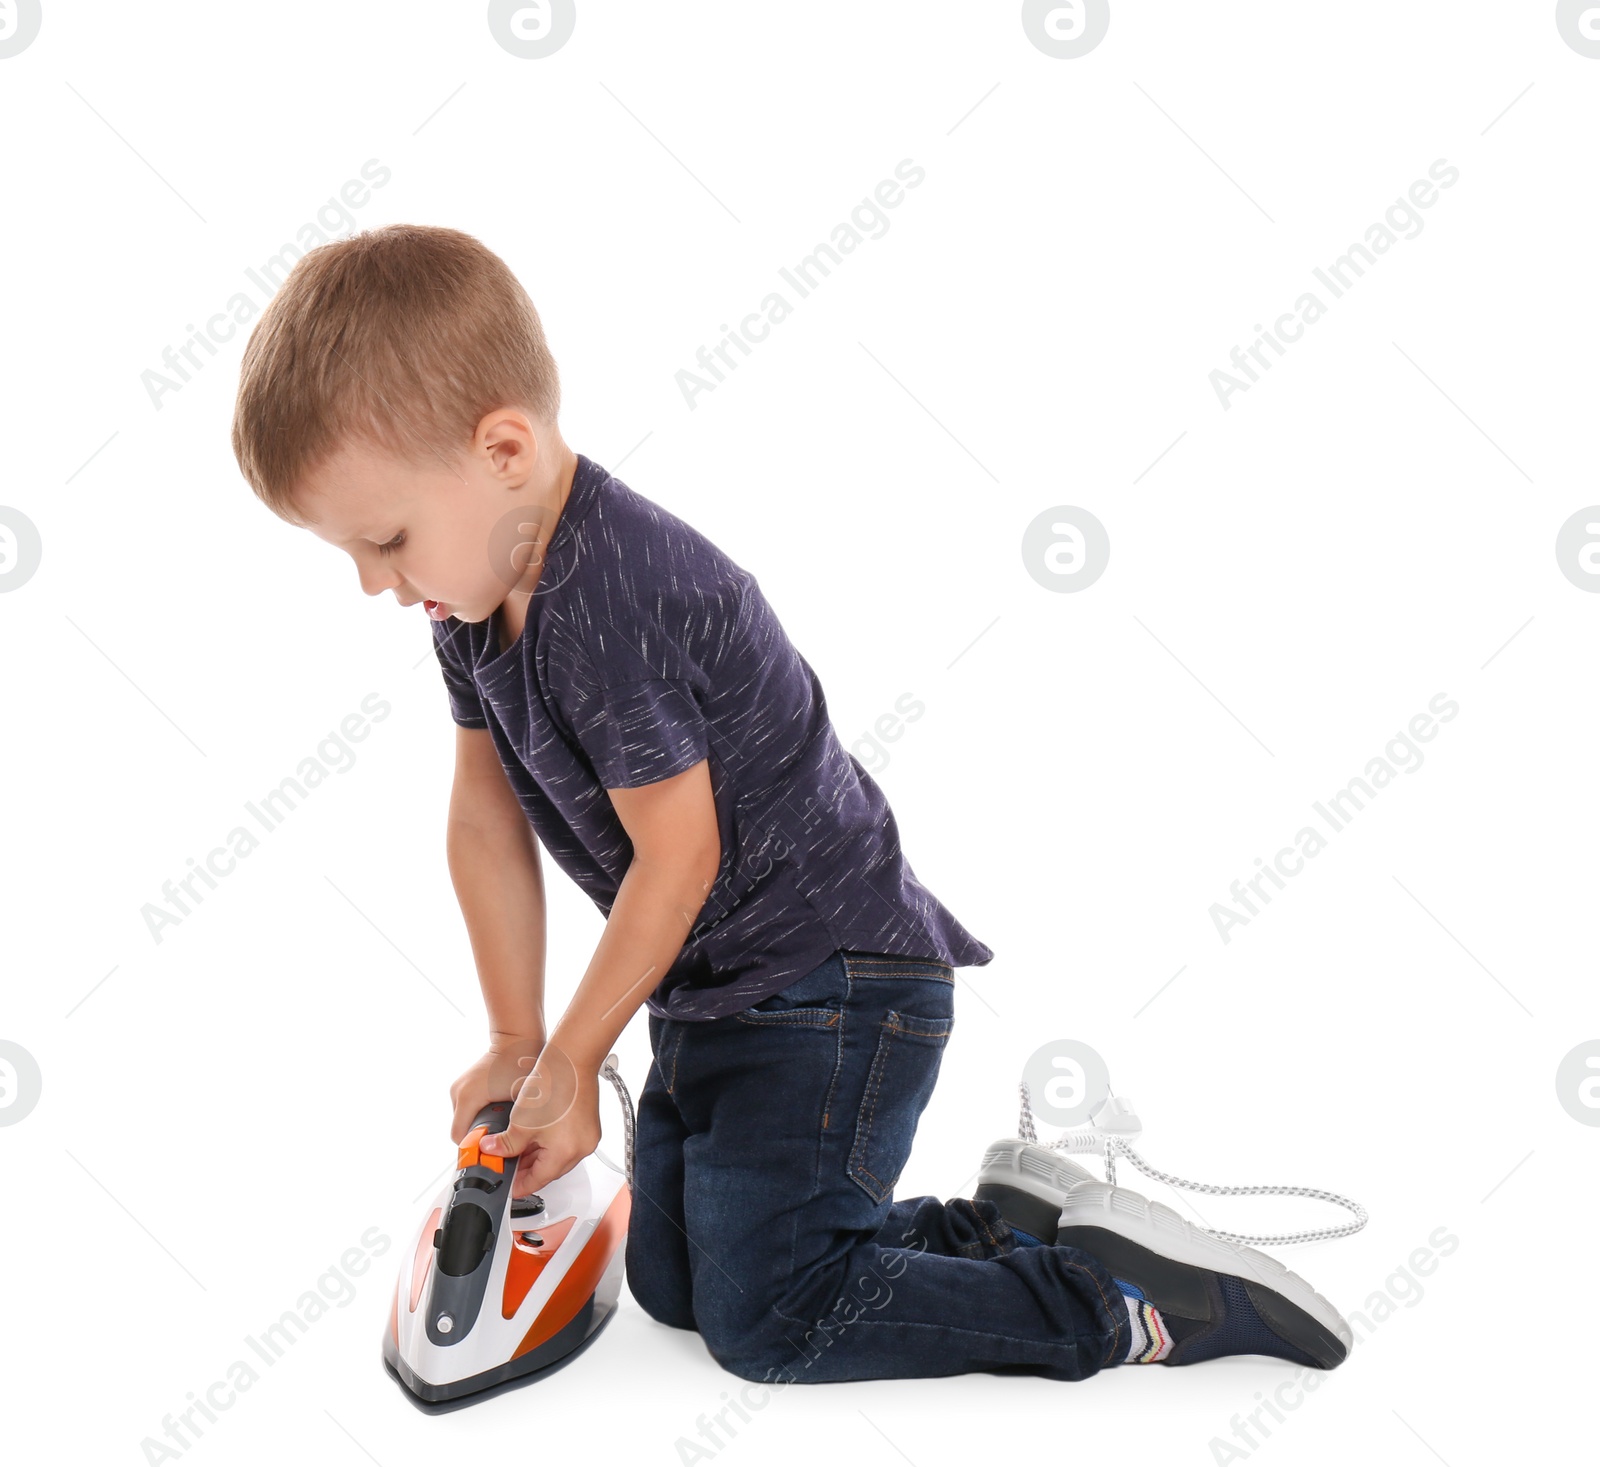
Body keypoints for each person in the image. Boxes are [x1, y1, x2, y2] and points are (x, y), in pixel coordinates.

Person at [230, 223, 1350, 1386]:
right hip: (719, 992)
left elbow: (680, 860)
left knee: (771, 1319)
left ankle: (1127, 1305)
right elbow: (483, 822)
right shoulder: (471, 606)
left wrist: (573, 1058)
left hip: (834, 986)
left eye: (386, 541)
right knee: (674, 1288)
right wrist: (520, 1040)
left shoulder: (614, 599)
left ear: (503, 449)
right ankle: (1002, 1227)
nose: (375, 583)